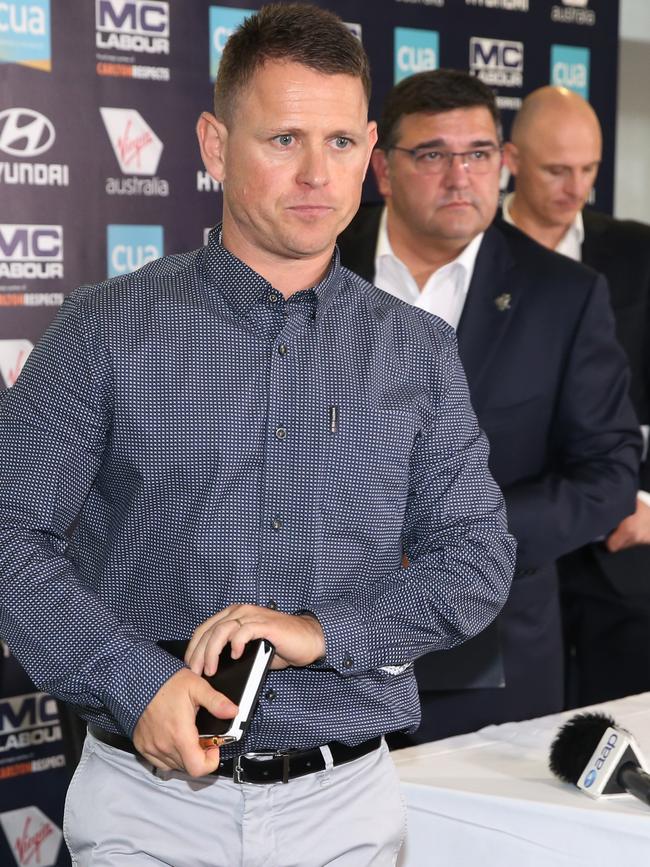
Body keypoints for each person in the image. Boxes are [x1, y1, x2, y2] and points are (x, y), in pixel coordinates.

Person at [0, 7, 516, 865]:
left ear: (371, 153)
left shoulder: (416, 350)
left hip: (348, 807)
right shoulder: (104, 329)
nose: (317, 173)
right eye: (283, 139)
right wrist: (138, 681)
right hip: (147, 807)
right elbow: (11, 530)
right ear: (213, 145)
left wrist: (323, 629)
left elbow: (476, 558)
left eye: (342, 143)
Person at [337, 69, 641, 743]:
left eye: (478, 154)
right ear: (383, 169)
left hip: (491, 657)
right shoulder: (314, 265)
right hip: (320, 655)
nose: (460, 176)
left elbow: (609, 472)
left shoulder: (565, 295)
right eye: (433, 155)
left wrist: (462, 542)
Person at [503, 85, 650, 706]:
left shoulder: (638, 252)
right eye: (557, 170)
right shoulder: (465, 248)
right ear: (511, 160)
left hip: (619, 546)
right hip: (503, 542)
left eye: (589, 169)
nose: (576, 188)